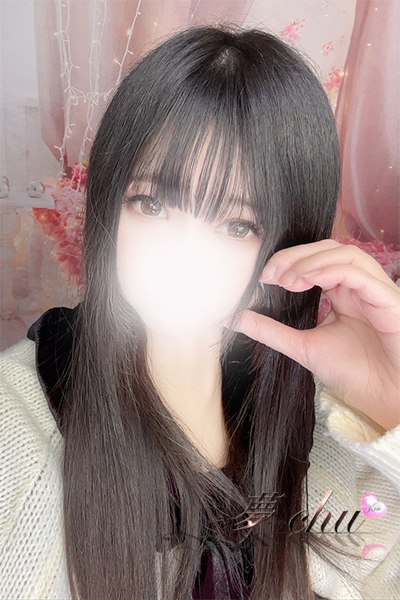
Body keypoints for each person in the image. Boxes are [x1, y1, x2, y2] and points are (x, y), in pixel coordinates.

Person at [0, 23, 399, 600]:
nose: (182, 252)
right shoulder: (16, 429)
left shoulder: (328, 427)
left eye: (236, 224)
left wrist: (389, 412)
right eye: (151, 203)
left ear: (289, 246)